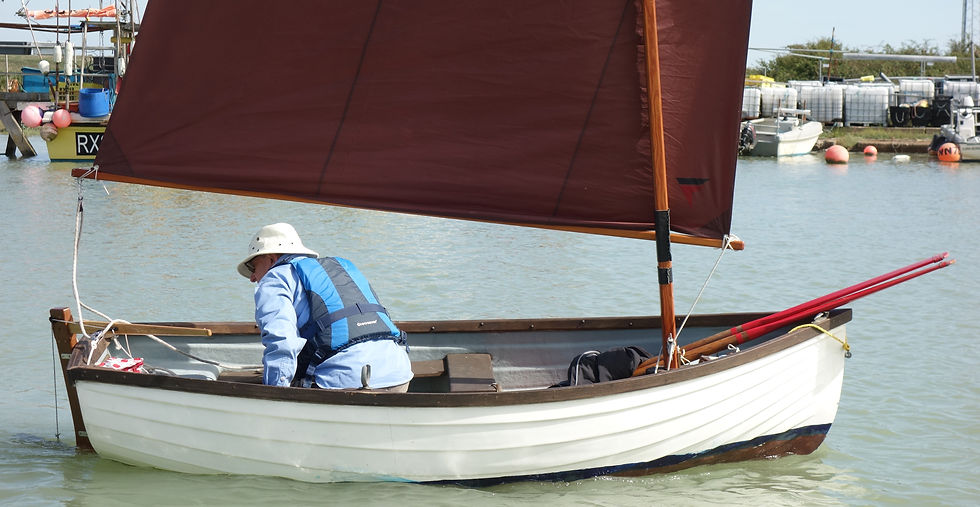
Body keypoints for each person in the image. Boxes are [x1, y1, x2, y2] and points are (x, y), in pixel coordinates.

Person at [237, 223, 413, 391]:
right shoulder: (343, 267)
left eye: (253, 267)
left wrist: (273, 395)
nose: (252, 277)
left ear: (271, 259)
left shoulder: (275, 278)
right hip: (400, 374)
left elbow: (282, 343)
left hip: (345, 383)